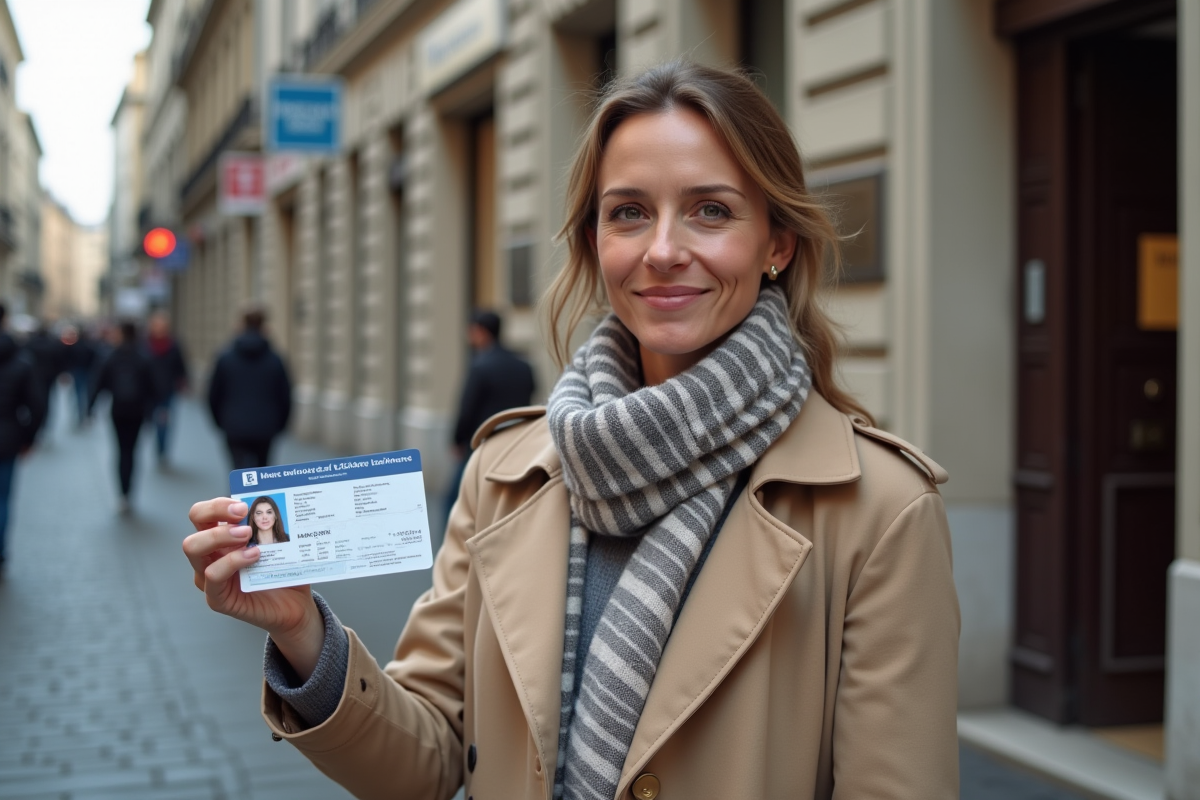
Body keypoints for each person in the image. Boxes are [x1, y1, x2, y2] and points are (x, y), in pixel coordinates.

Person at [184, 61, 959, 799]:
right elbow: (427, 762)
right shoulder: (503, 473)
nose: (662, 250)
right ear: (597, 241)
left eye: (711, 210)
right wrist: (302, 636)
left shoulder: (878, 510)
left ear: (777, 245)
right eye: (628, 212)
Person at [442, 309, 535, 531]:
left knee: (453, 500)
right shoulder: (523, 366)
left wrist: (457, 440)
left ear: (481, 332)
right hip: (516, 445)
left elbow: (467, 408)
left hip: (480, 445)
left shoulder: (480, 366)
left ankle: (453, 547)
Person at [207, 307, 292, 470]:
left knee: (238, 472)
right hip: (266, 426)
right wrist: (279, 424)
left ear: (240, 325)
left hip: (234, 425)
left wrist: (221, 421)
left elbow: (214, 394)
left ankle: (239, 495)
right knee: (262, 472)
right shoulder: (275, 359)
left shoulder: (225, 358)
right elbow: (285, 395)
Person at [89, 320, 156, 515]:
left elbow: (98, 382)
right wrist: (153, 411)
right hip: (138, 411)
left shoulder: (111, 355)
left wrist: (90, 407)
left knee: (121, 451)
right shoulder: (143, 356)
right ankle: (130, 492)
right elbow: (153, 387)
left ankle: (123, 493)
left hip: (118, 410)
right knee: (132, 451)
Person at [0, 303, 47, 569]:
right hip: (7, 439)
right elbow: (37, 405)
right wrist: (29, 438)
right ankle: (1, 550)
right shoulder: (20, 360)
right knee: (3, 498)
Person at [146, 311, 189, 466]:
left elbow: (181, 366)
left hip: (167, 390)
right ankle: (158, 446)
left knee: (165, 423)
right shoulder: (145, 344)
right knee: (151, 421)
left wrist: (183, 382)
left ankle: (162, 451)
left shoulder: (174, 345)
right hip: (149, 391)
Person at [61, 324, 97, 426]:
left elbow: (68, 360)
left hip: (77, 372)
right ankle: (83, 413)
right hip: (86, 372)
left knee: (78, 393)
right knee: (85, 393)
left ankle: (80, 413)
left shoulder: (74, 347)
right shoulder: (90, 347)